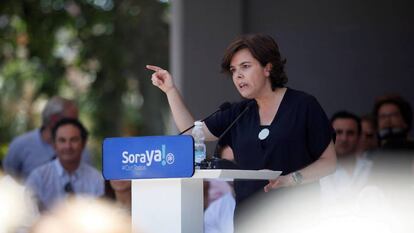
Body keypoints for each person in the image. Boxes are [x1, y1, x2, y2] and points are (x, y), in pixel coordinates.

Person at [146, 34, 336, 206]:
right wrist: (170, 90)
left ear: (267, 67)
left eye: (245, 67)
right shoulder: (237, 112)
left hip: (295, 217)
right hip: (249, 220)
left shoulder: (303, 105)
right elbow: (192, 133)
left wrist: (292, 179)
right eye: (233, 70)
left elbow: (329, 162)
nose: (237, 75)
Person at [3, 96, 92, 181]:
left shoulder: (82, 151)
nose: (76, 125)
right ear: (54, 119)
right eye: (71, 121)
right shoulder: (20, 145)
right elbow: (6, 181)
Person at [25, 118, 104, 212]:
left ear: (83, 144)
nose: (68, 146)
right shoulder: (38, 177)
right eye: (62, 140)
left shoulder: (97, 179)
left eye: (74, 140)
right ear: (54, 145)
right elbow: (27, 214)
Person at [320, 111, 372, 204]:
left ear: (359, 137)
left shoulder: (372, 169)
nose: (344, 138)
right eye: (338, 132)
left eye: (350, 133)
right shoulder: (315, 172)